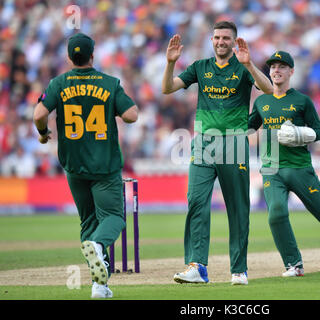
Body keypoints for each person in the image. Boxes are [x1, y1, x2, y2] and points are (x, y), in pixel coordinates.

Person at [162, 21, 273, 285]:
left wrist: (249, 65)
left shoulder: (243, 67)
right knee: (196, 202)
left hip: (234, 142)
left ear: (234, 42)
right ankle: (197, 266)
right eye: (216, 37)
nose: (220, 41)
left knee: (237, 208)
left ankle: (239, 269)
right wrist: (170, 63)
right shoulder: (200, 67)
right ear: (211, 41)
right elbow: (167, 88)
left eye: (225, 38)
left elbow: (269, 90)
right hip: (203, 142)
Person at [33, 33, 138, 298]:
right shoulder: (109, 83)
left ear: (69, 58)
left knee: (89, 221)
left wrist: (44, 134)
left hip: (74, 167)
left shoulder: (58, 84)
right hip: (104, 166)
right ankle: (98, 247)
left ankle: (99, 286)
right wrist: (110, 105)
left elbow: (39, 114)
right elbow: (131, 115)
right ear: (93, 55)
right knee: (113, 218)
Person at [248, 51, 320, 277]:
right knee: (276, 213)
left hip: (299, 167)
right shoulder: (262, 101)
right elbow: (248, 127)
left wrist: (301, 134)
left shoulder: (302, 101)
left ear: (291, 72)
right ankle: (294, 264)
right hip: (271, 169)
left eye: (282, 67)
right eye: (273, 67)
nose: (276, 71)